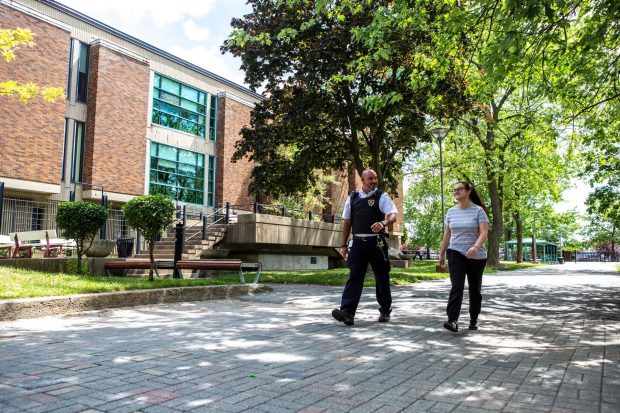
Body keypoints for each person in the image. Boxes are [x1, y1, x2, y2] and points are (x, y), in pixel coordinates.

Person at [332, 169, 398, 326]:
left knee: (382, 276)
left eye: (375, 178)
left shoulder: (382, 196)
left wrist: (383, 223)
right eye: (370, 178)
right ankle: (347, 312)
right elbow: (346, 222)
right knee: (355, 276)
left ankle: (385, 309)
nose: (374, 181)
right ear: (362, 180)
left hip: (377, 243)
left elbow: (393, 215)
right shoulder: (352, 197)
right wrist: (343, 244)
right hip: (357, 244)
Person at [438, 181, 489, 332]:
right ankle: (452, 320)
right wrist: (441, 254)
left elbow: (484, 232)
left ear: (468, 191)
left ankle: (473, 319)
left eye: (459, 189)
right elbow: (447, 234)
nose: (456, 191)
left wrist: (476, 247)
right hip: (455, 253)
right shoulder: (451, 212)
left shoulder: (478, 211)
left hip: (476, 256)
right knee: (457, 286)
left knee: (475, 289)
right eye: (454, 190)